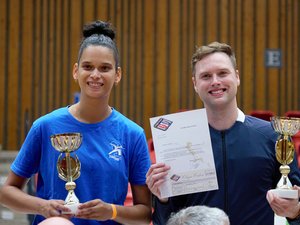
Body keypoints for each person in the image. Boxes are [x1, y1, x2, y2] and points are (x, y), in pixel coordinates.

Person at [0, 20, 152, 225]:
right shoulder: (45, 127)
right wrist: (42, 206)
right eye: (87, 66)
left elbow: (144, 214)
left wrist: (112, 211)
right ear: (75, 71)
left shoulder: (132, 134)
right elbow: (7, 192)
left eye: (105, 68)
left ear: (117, 75)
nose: (95, 75)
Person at [146, 41, 300, 225]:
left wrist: (295, 212)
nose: (215, 81)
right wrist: (163, 199)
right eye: (206, 76)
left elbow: (295, 209)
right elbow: (164, 221)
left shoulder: (273, 137)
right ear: (195, 84)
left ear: (237, 77)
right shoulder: (177, 140)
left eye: (222, 73)